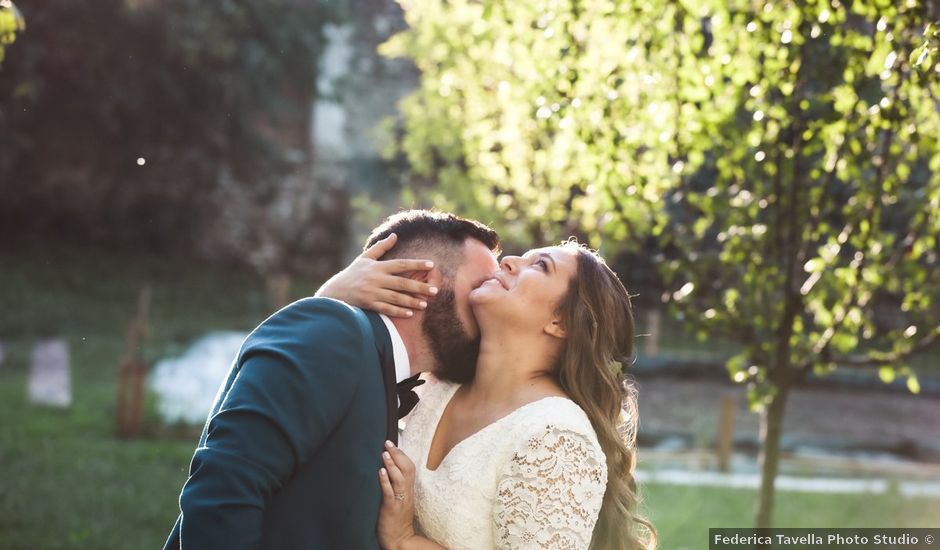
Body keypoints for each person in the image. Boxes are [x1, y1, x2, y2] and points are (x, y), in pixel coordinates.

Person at [163, 210, 500, 549]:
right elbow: (223, 492)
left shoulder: (388, 370)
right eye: (482, 286)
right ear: (418, 280)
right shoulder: (336, 329)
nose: (491, 303)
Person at [326, 241, 657, 550]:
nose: (509, 261)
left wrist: (404, 540)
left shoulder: (556, 438)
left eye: (540, 266)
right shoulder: (434, 386)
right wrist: (334, 295)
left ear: (561, 322)